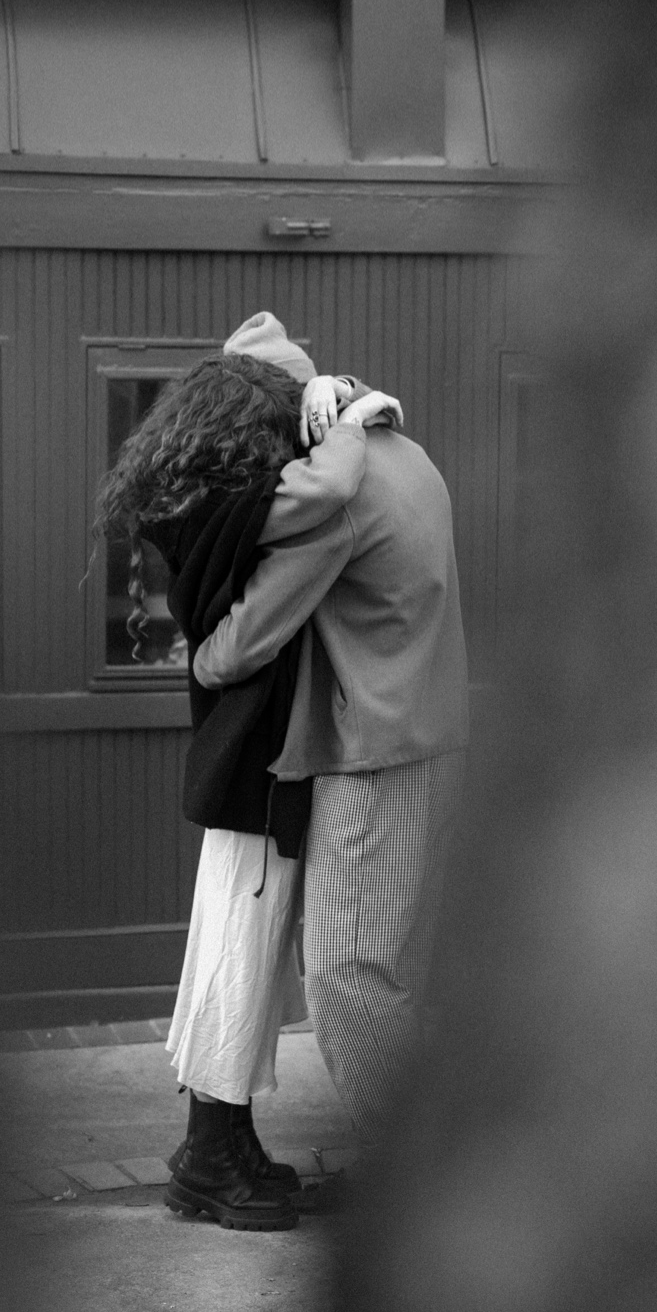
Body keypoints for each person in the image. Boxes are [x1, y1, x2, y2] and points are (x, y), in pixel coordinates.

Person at [96, 337, 399, 1229]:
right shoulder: (252, 503)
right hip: (262, 756)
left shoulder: (203, 502)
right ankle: (212, 1153)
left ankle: (217, 1146)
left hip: (246, 753)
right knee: (239, 946)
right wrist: (349, 410)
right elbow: (323, 505)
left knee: (234, 942)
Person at [193, 332, 470, 1149]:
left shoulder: (330, 499)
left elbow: (245, 640)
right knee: (399, 974)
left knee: (348, 976)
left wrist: (200, 660)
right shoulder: (403, 451)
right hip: (434, 738)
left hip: (375, 756)